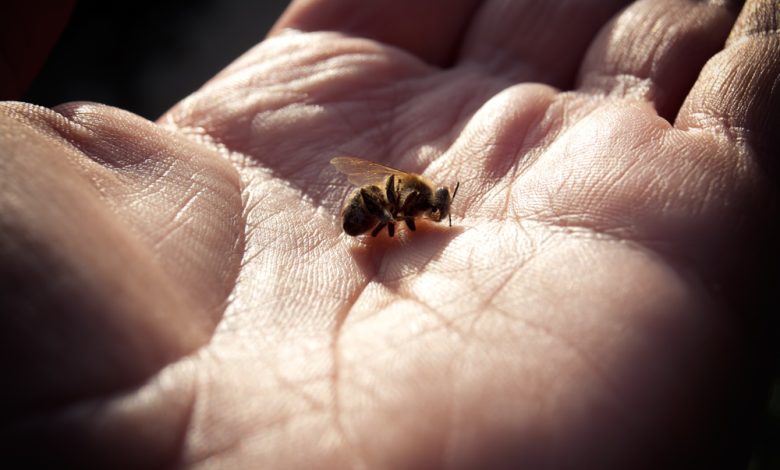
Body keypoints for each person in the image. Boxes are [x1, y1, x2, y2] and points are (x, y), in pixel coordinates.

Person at [1, 0, 777, 467]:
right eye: (428, 211)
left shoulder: (406, 197)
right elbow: (395, 217)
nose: (431, 218)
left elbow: (394, 201)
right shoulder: (403, 212)